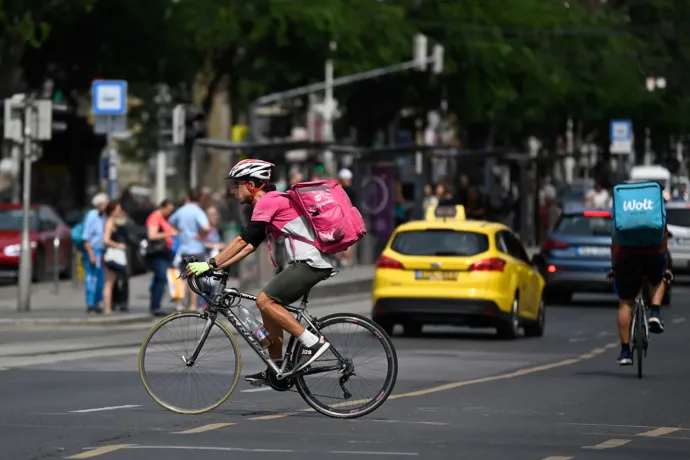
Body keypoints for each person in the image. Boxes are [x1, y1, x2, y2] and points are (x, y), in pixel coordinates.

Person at [186, 158, 333, 386]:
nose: (234, 190)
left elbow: (241, 239)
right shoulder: (270, 202)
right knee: (268, 310)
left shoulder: (268, 202)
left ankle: (313, 342)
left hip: (309, 262)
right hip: (305, 262)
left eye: (238, 184)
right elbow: (250, 244)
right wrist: (221, 267)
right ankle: (277, 371)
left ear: (252, 185)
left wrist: (210, 264)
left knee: (265, 301)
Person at [607, 207, 673, 366]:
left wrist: (614, 267)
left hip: (626, 257)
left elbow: (615, 243)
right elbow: (663, 239)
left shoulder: (622, 213)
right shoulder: (655, 211)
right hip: (652, 255)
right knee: (658, 280)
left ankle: (625, 352)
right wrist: (665, 267)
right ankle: (655, 312)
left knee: (625, 301)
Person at [169, 189, 210, 311]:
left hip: (184, 248)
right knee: (194, 278)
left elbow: (171, 222)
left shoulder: (181, 211)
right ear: (200, 198)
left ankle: (180, 304)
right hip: (196, 248)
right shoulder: (198, 212)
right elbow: (206, 227)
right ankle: (193, 305)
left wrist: (180, 231)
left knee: (183, 277)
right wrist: (201, 235)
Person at [145, 199, 177, 316]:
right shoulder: (155, 217)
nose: (170, 213)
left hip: (164, 253)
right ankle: (155, 306)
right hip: (157, 253)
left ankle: (155, 304)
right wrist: (169, 234)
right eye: (169, 210)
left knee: (159, 278)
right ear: (162, 207)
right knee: (161, 277)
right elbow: (152, 235)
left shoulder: (164, 218)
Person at [82, 193, 109, 314]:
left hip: (100, 251)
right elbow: (86, 237)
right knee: (91, 278)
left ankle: (97, 302)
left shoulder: (103, 216)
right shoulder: (92, 216)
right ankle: (90, 304)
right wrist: (91, 254)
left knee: (100, 279)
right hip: (93, 251)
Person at [102, 201, 127, 315]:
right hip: (111, 255)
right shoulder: (109, 222)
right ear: (112, 211)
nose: (119, 211)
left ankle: (108, 307)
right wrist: (118, 245)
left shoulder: (113, 221)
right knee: (109, 283)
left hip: (112, 254)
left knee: (111, 282)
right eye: (117, 209)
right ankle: (107, 308)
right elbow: (106, 240)